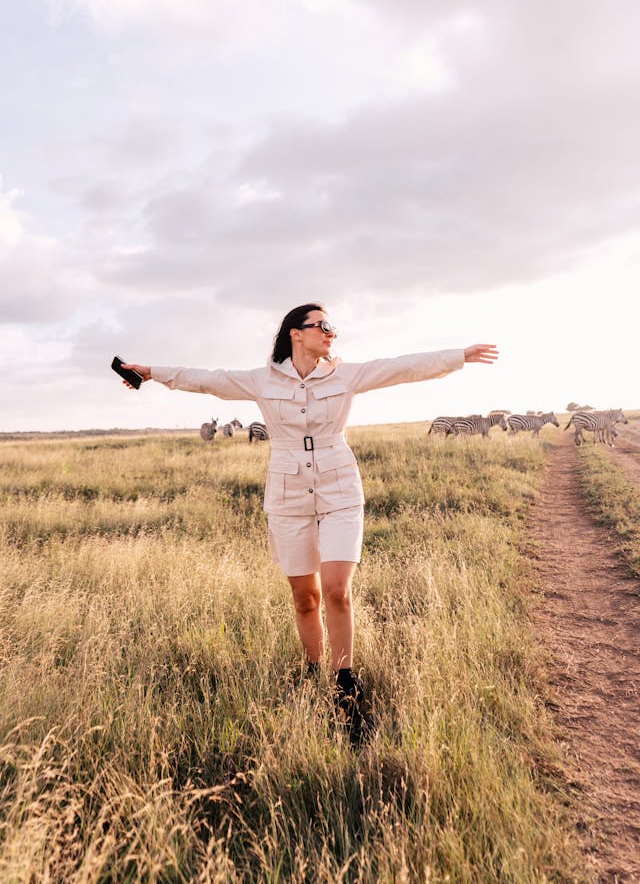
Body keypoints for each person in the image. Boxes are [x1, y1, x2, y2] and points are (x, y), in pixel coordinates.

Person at [121, 303, 498, 746]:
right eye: (322, 326)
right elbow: (207, 380)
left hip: (339, 489)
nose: (331, 333)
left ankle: (345, 688)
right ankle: (314, 672)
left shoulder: (345, 374)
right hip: (287, 496)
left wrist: (458, 356)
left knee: (337, 590)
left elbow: (402, 368)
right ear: (296, 334)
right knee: (305, 598)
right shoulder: (263, 379)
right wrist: (151, 372)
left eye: (331, 327)